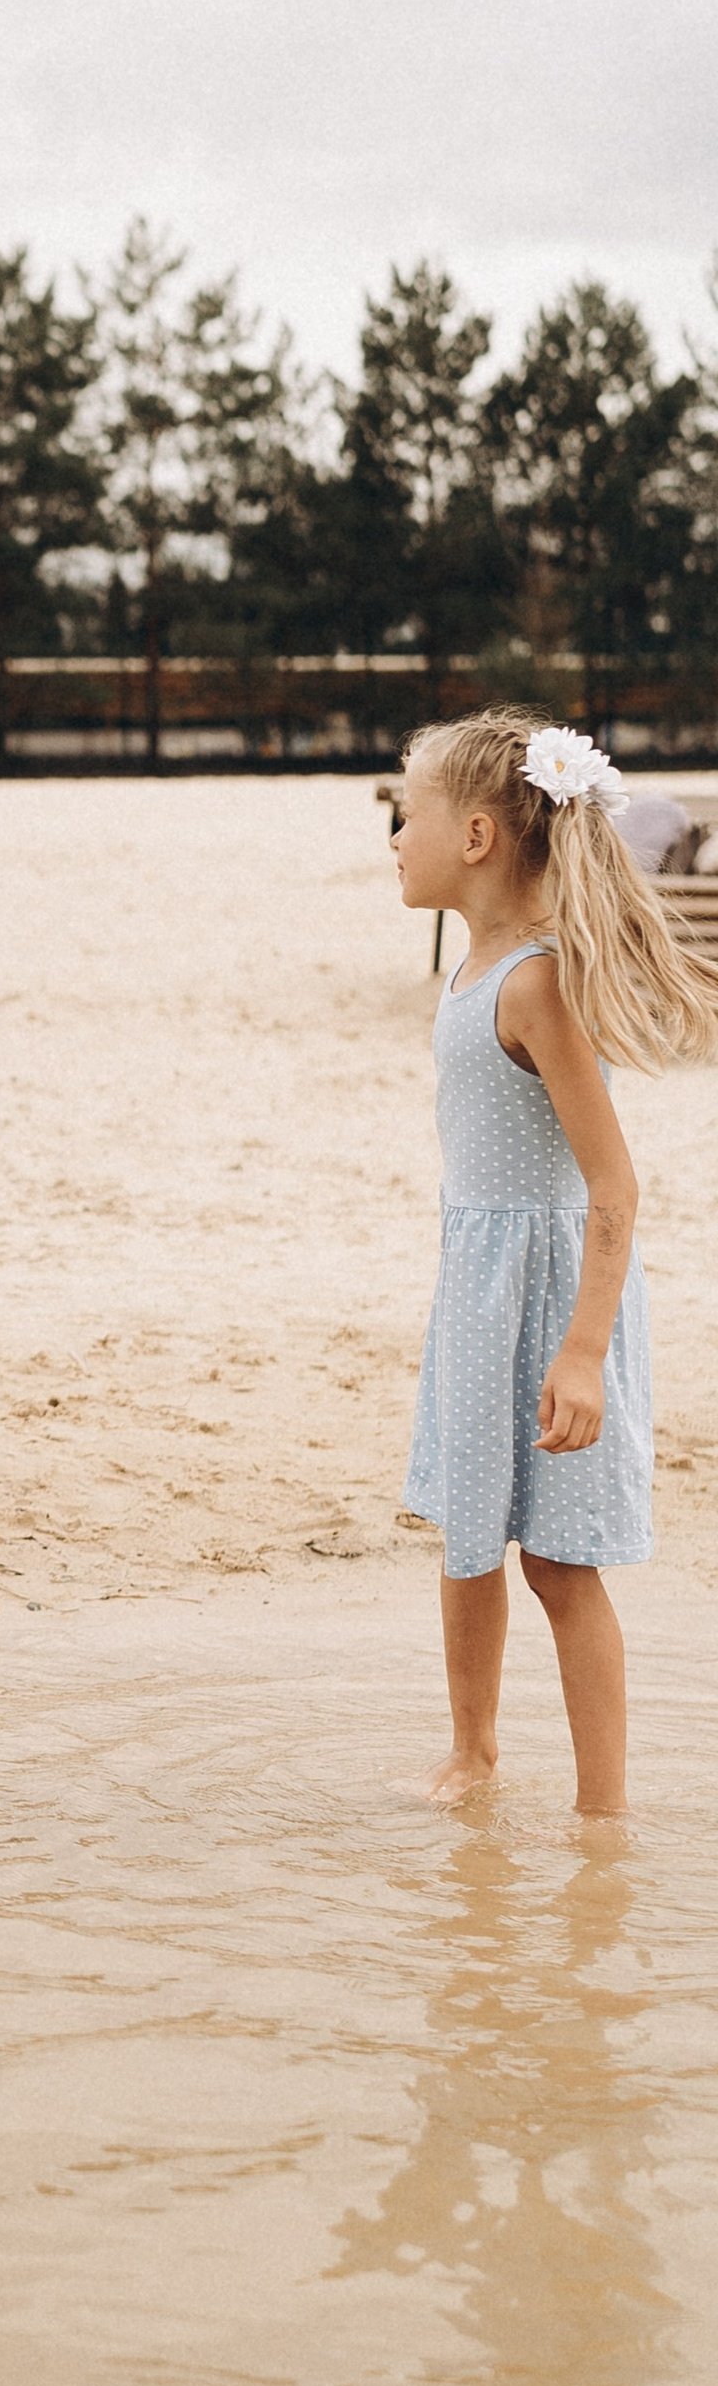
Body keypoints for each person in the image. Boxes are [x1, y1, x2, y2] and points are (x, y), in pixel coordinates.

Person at [390, 710, 718, 1815]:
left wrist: (582, 1354)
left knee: (560, 1564)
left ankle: (602, 1818)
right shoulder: (470, 968)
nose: (395, 837)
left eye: (408, 815)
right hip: (478, 1297)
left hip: (558, 1305)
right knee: (468, 1537)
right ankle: (472, 1754)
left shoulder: (536, 982)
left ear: (477, 836)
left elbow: (613, 1188)